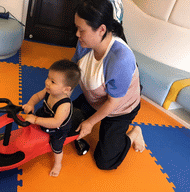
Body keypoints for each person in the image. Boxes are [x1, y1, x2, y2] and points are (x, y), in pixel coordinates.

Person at [71, 0, 145, 170]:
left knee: (104, 162)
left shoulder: (121, 58)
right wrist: (62, 93)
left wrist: (90, 123)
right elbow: (73, 72)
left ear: (102, 29)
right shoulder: (85, 43)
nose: (77, 34)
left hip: (119, 109)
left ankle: (134, 133)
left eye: (81, 30)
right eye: (77, 28)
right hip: (94, 98)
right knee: (61, 117)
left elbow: (113, 102)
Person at [22, 59, 81, 177]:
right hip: (45, 114)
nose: (47, 83)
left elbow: (55, 122)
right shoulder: (49, 90)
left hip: (57, 129)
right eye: (48, 77)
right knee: (35, 118)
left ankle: (58, 164)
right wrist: (30, 104)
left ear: (66, 89)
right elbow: (38, 95)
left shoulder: (64, 105)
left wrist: (35, 120)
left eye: (53, 81)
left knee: (56, 146)